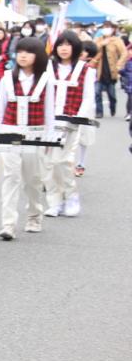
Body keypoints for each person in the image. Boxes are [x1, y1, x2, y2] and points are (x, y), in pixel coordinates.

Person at [0, 37, 54, 240]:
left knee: (32, 179)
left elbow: (49, 112)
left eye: (28, 52)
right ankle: (8, 223)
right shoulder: (6, 78)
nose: (23, 55)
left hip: (35, 134)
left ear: (38, 56)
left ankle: (34, 215)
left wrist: (48, 139)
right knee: (11, 177)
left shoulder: (46, 80)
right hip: (9, 133)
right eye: (20, 51)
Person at [43, 31, 94, 218]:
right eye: (60, 44)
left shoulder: (86, 70)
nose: (64, 48)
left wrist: (78, 118)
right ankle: (54, 201)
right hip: (48, 121)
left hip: (71, 121)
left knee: (64, 160)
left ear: (75, 47)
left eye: (68, 44)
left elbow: (88, 97)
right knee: (48, 163)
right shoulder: (49, 66)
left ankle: (71, 196)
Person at [94, 20, 128, 118]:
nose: (106, 30)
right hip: (99, 71)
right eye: (104, 27)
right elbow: (92, 49)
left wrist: (119, 65)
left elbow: (124, 53)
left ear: (113, 29)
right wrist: (102, 44)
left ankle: (112, 107)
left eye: (108, 27)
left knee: (111, 95)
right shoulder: (98, 39)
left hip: (111, 71)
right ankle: (99, 112)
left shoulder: (117, 40)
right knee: (97, 92)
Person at [75, 41, 99, 177]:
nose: (80, 53)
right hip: (69, 106)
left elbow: (89, 94)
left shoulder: (89, 70)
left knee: (84, 137)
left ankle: (81, 163)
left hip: (85, 106)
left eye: (84, 51)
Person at [121, 43, 132, 121]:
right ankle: (129, 113)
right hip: (130, 84)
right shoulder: (127, 62)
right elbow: (122, 71)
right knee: (130, 99)